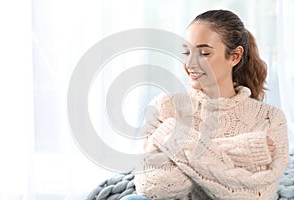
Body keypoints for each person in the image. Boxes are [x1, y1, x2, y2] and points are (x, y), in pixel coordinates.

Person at [121, 9, 289, 200]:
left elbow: (255, 196)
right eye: (187, 52)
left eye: (203, 53)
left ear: (234, 56)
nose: (190, 63)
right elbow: (152, 186)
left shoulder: (270, 118)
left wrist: (172, 136)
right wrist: (244, 150)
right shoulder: (164, 106)